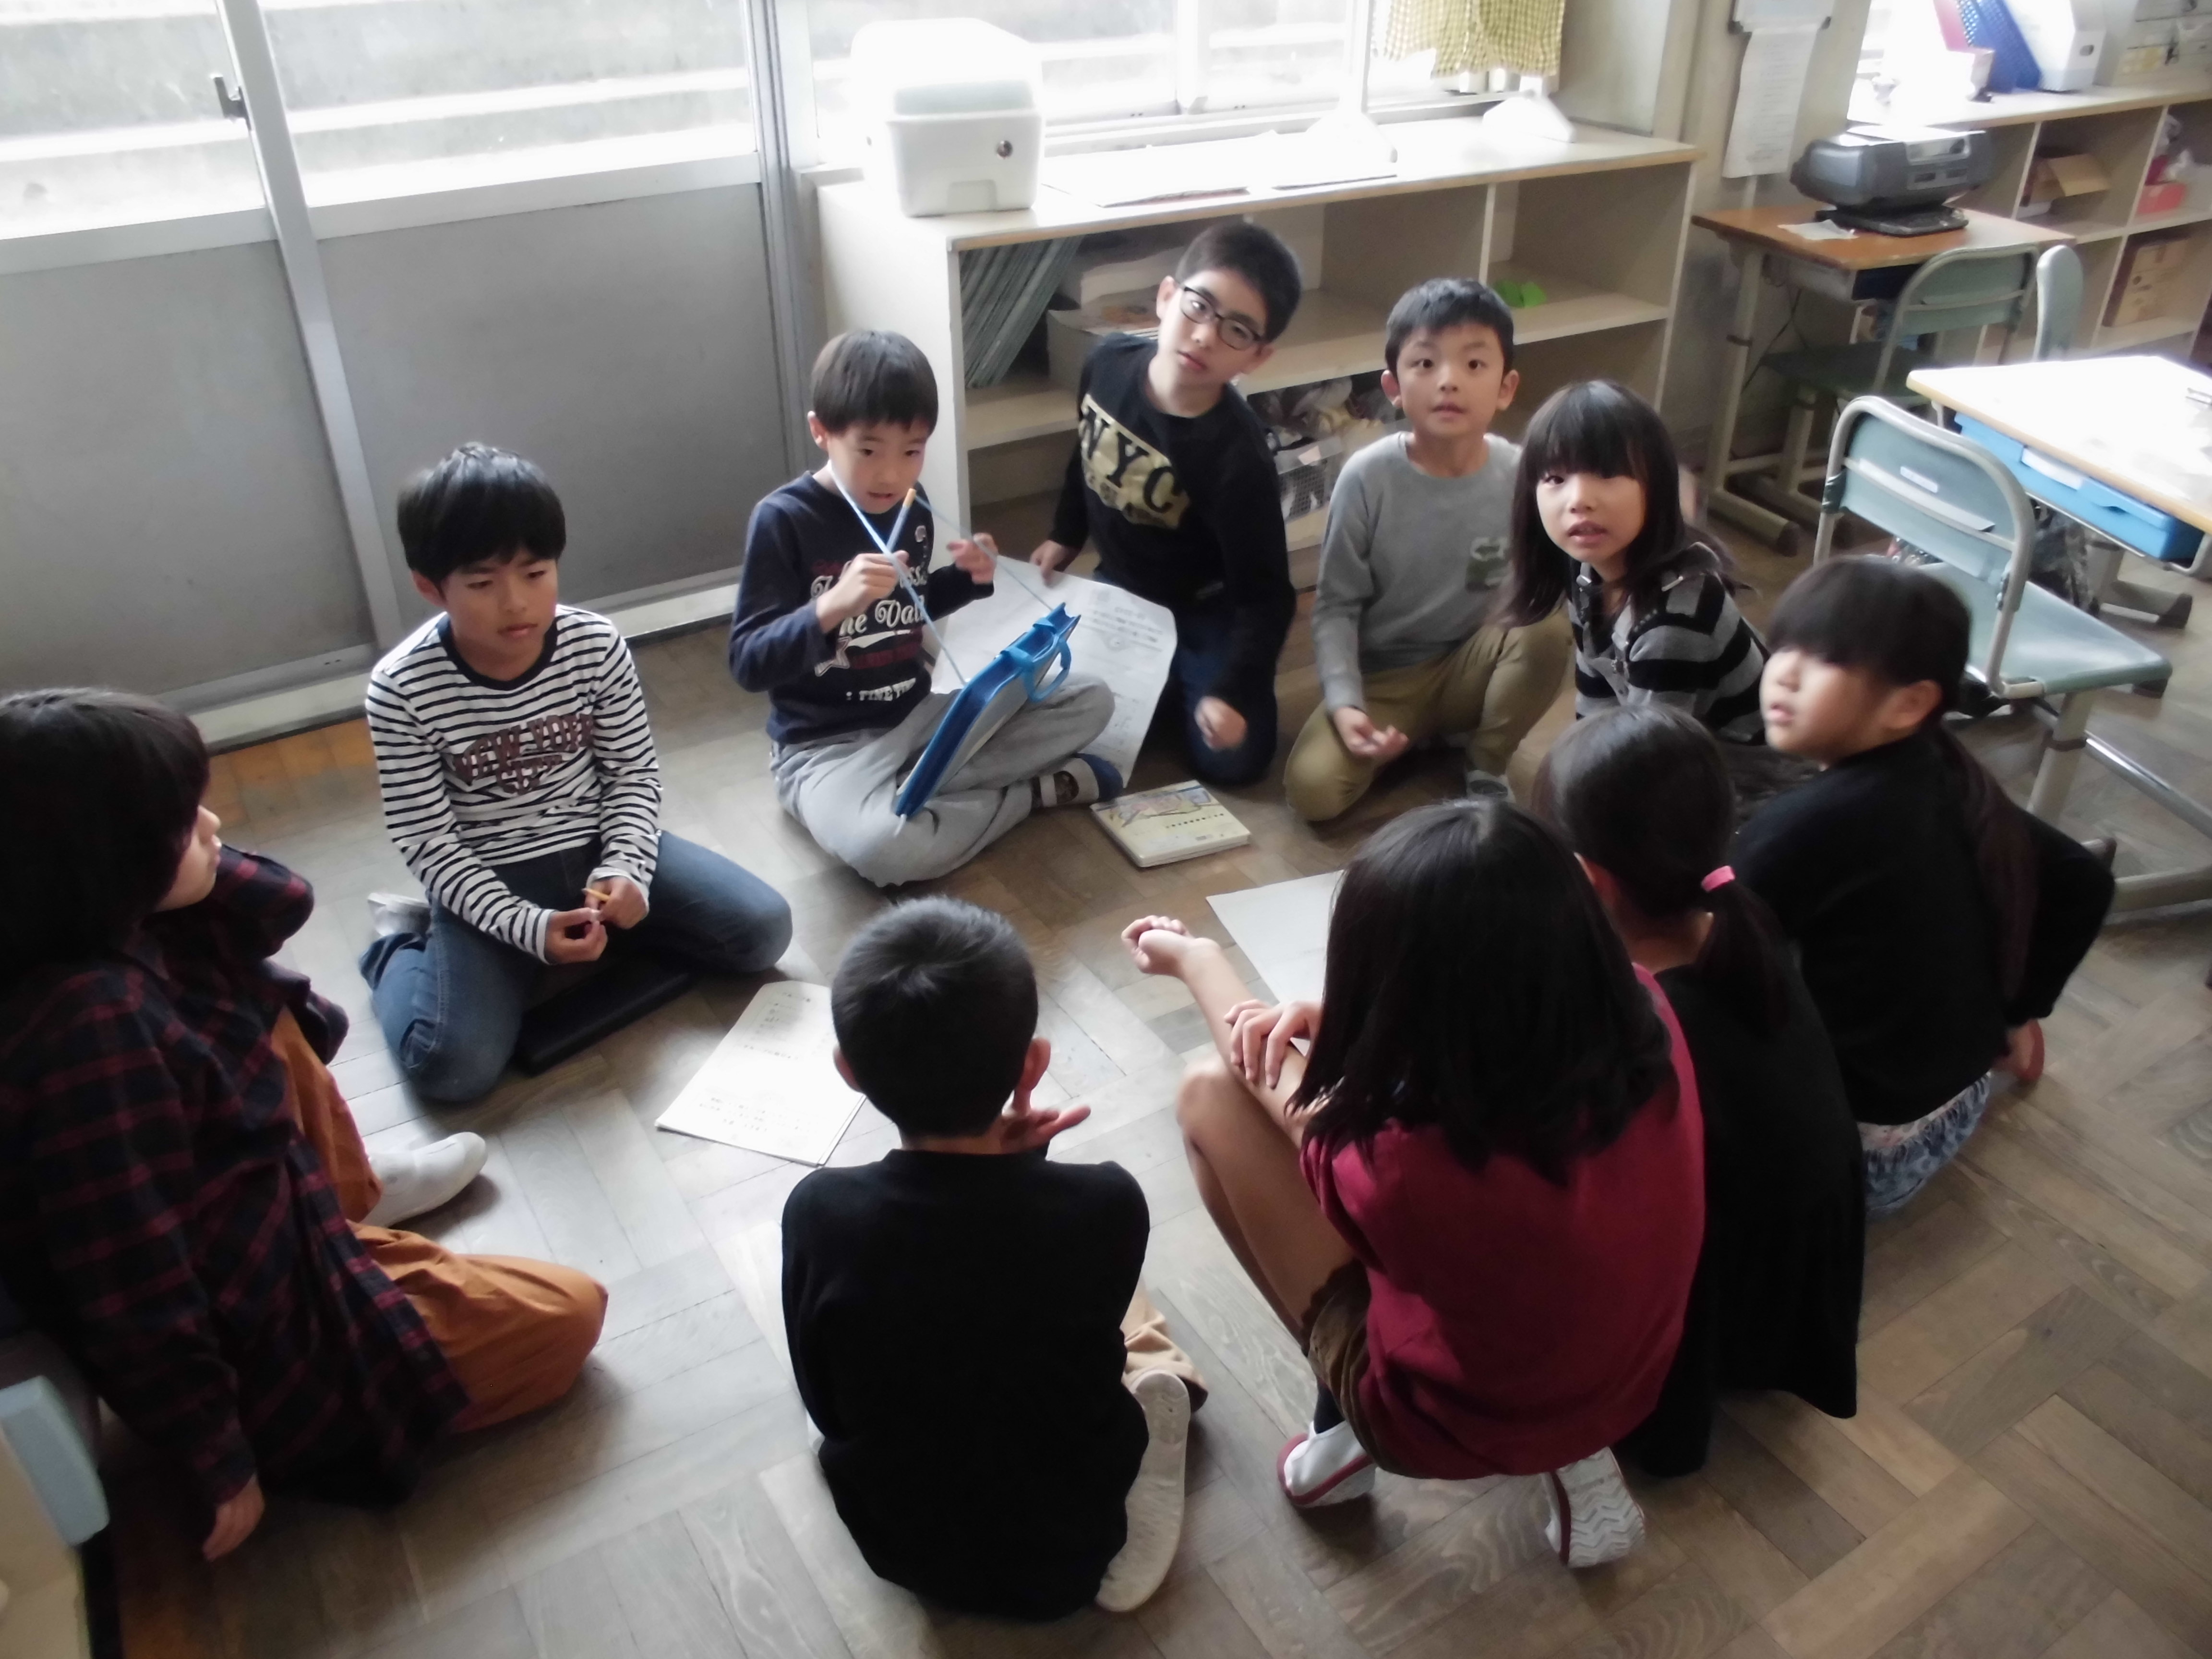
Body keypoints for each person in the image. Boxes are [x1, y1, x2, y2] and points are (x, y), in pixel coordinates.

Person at [0, 690, 606, 1562]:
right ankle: (347, 1230)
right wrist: (216, 1452)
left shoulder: (100, 927)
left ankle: (349, 1201)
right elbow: (131, 1275)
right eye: (183, 822)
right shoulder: (90, 1029)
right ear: (105, 863)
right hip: (256, 1315)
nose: (215, 826)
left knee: (269, 1016)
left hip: (265, 1219)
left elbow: (280, 901)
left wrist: (183, 859)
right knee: (569, 1314)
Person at [1123, 799, 1704, 1569]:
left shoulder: (1407, 1166)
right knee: (1524, 1288)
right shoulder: (1643, 1004)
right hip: (1626, 1373)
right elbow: (1496, 1020)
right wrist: (1347, 1020)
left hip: (1454, 1422)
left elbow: (1272, 1086)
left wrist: (1196, 959)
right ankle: (1577, 1456)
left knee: (1209, 1098)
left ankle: (1345, 1430)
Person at [781, 899, 1205, 1619]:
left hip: (902, 1546)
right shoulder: (1106, 1201)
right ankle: (1160, 1445)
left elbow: (823, 1401)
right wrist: (1026, 1169)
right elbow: (1042, 1303)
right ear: (1034, 1062)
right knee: (1116, 1329)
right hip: (1076, 1532)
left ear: (849, 1071)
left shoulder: (818, 1210)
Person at [359, 443, 792, 1103]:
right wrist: (525, 927)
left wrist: (626, 869)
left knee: (763, 930)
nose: (516, 603)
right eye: (482, 584)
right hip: (489, 875)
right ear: (430, 586)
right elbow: (429, 843)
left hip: (596, 848)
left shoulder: (595, 644)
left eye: (536, 573)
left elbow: (633, 776)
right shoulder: (400, 688)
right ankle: (398, 946)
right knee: (451, 1068)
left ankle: (592, 933)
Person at [1533, 706, 1863, 1476]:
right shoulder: (1738, 921)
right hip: (1802, 1258)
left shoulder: (1640, 1025)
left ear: (1587, 879)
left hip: (1724, 1288)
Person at [1740, 556, 2115, 1216]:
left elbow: (1711, 961)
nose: (1785, 673)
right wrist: (2017, 1014)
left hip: (1859, 1162)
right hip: (1955, 1104)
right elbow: (2083, 880)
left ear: (1910, 703)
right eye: (1787, 645)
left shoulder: (1803, 827)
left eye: (1825, 660)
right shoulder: (1950, 772)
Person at [732, 331, 1118, 886]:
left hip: (918, 717)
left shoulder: (911, 507)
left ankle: (917, 790)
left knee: (1090, 699)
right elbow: (748, 663)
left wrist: (968, 579)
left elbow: (909, 607)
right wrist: (833, 605)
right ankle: (1029, 795)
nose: (891, 474)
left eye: (912, 451)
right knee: (882, 850)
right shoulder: (783, 519)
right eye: (869, 451)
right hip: (823, 747)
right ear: (822, 431)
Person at [1283, 277, 1573, 820]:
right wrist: (1346, 705)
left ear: (1506, 387)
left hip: (1474, 664)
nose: (1448, 381)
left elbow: (1550, 583)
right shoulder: (1367, 478)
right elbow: (1336, 608)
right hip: (1386, 678)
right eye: (1425, 363)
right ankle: (1420, 736)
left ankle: (1486, 760)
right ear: (1393, 387)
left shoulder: (1521, 476)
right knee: (1312, 793)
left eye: (1474, 364)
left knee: (1548, 629)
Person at [1029, 220, 1301, 787]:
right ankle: (1163, 682)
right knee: (1066, 719)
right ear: (1167, 296)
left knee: (1235, 760)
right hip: (1123, 588)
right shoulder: (1106, 362)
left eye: (1236, 330)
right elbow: (1087, 452)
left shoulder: (1238, 456)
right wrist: (1065, 534)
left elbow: (1267, 597)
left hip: (1208, 609)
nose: (1205, 336)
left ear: (1258, 356)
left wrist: (1233, 692)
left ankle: (1181, 679)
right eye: (1199, 307)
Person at [1498, 380, 1767, 745]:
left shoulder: (1674, 623)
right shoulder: (1583, 567)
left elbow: (1649, 754)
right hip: (1668, 744)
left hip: (1739, 765)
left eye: (1607, 474)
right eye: (1556, 478)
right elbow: (1597, 690)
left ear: (1656, 486)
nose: (1578, 500)